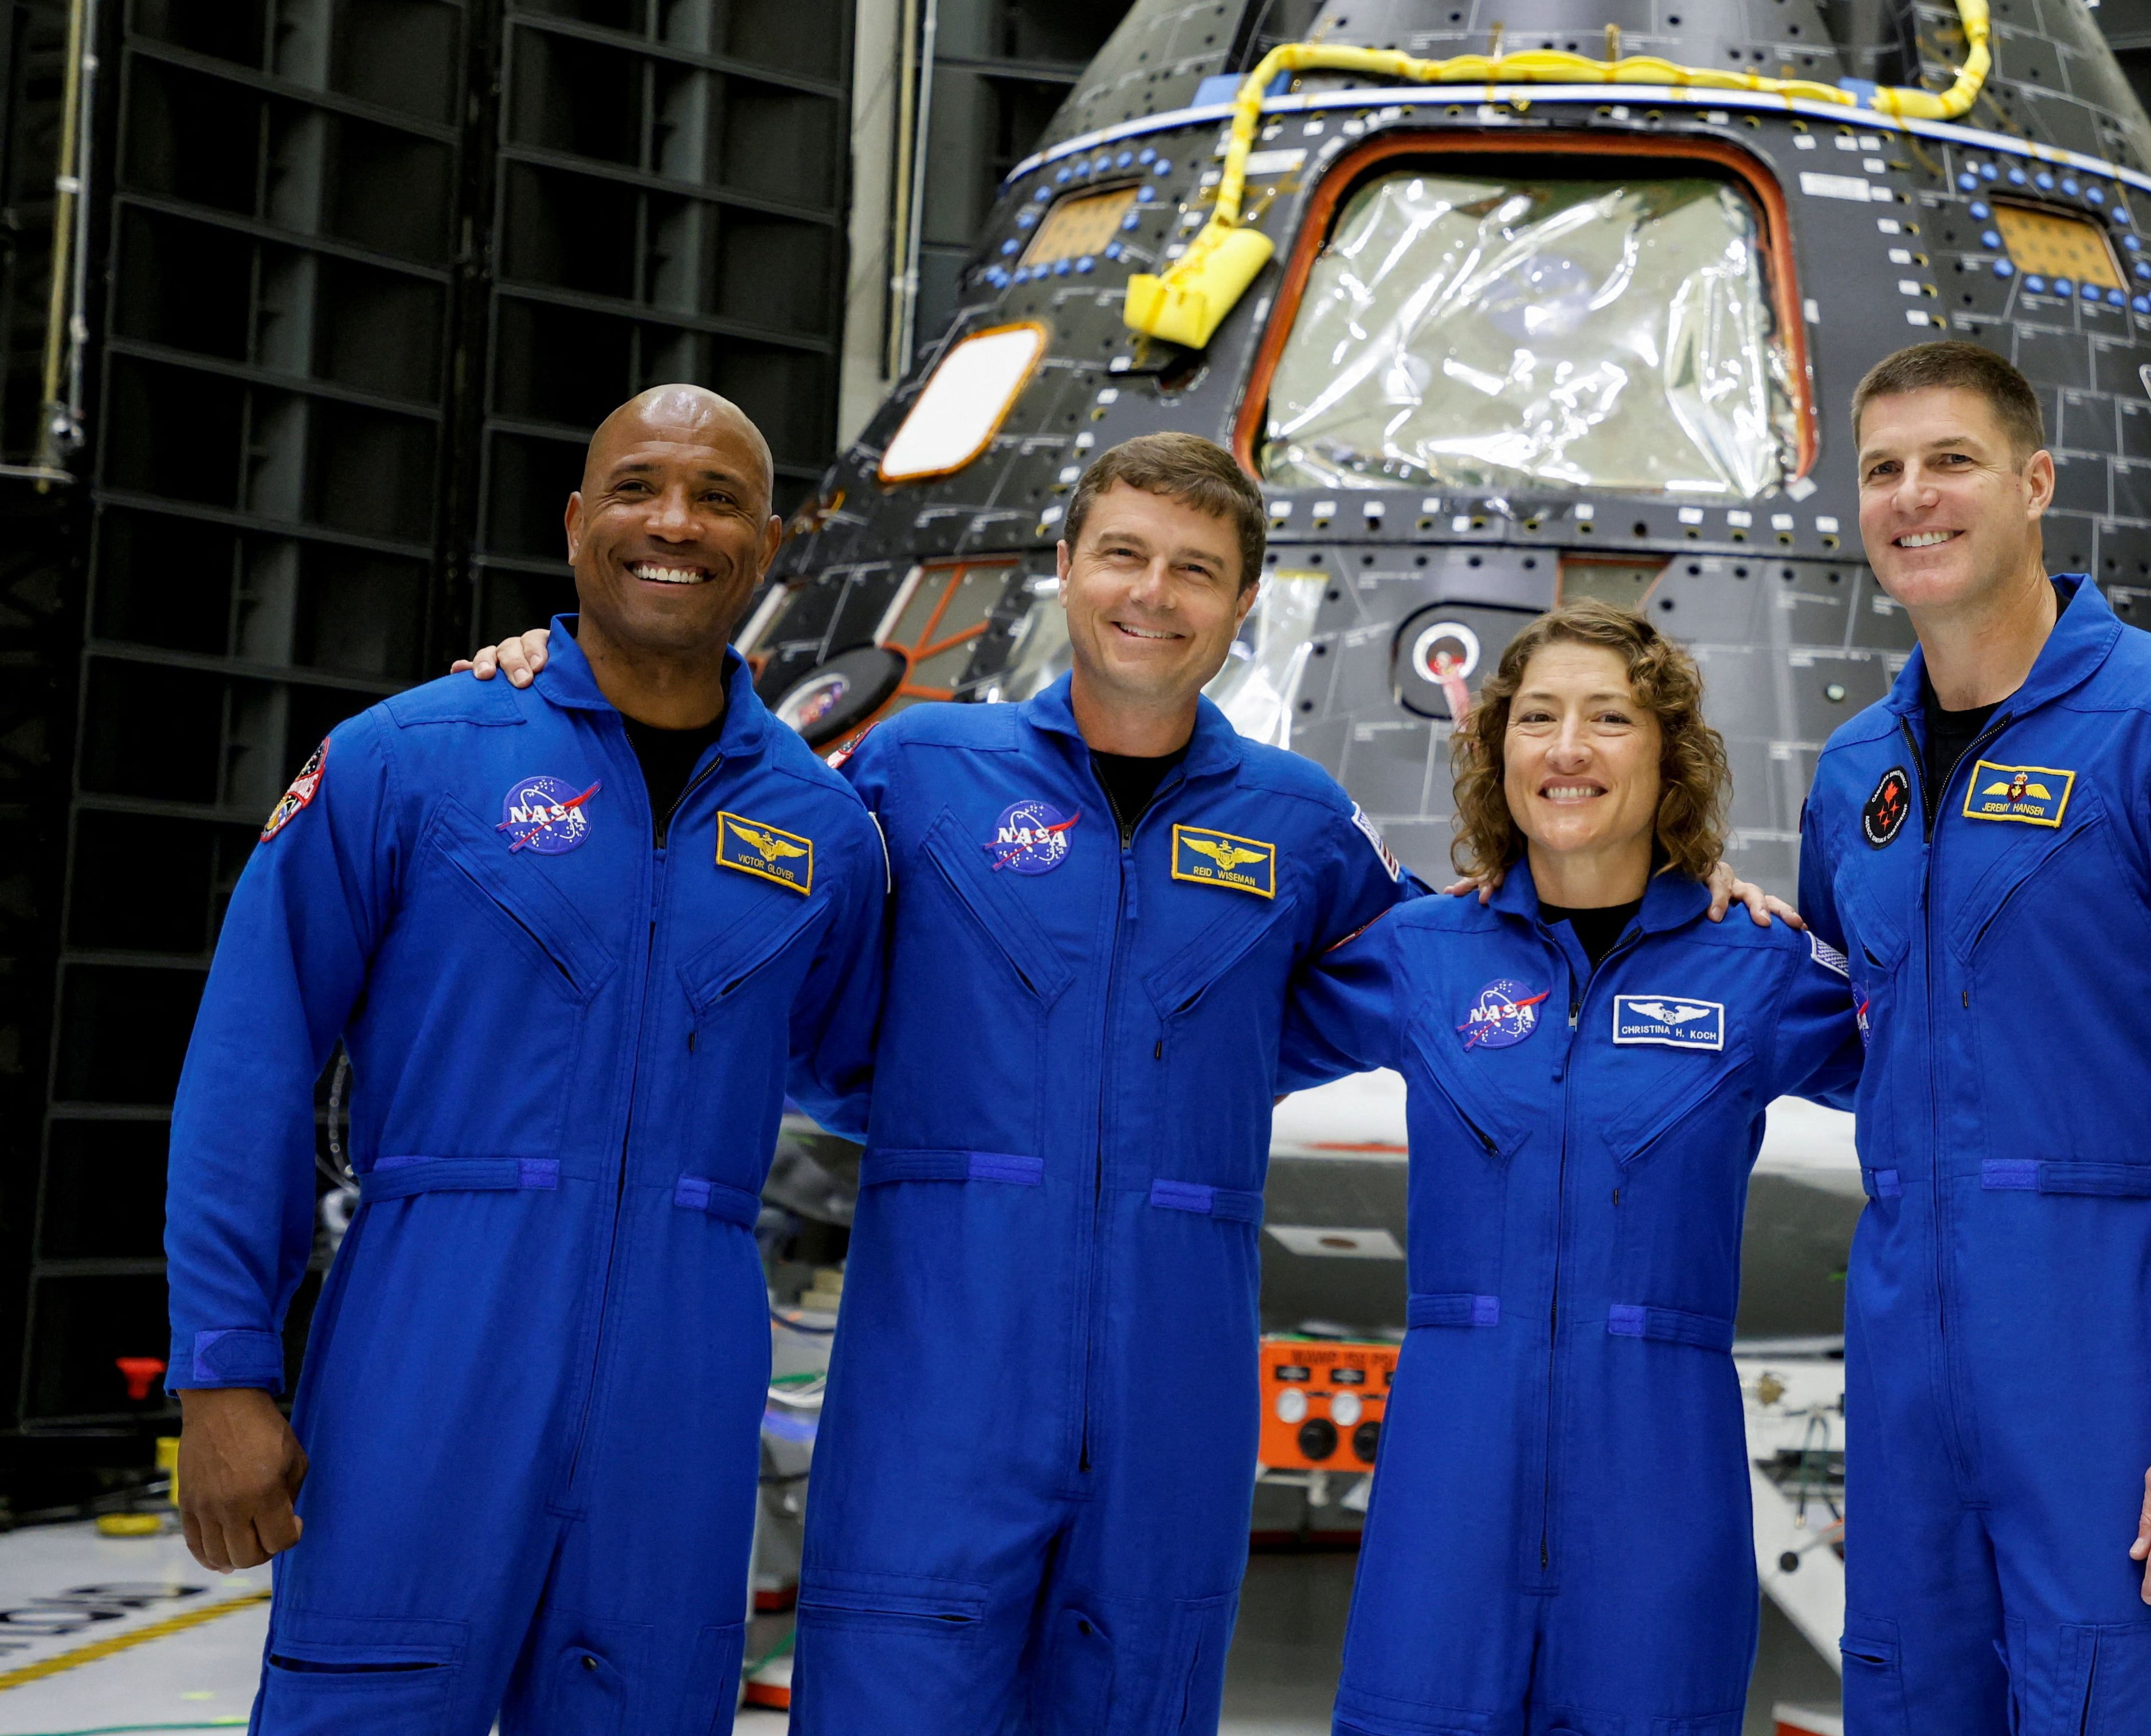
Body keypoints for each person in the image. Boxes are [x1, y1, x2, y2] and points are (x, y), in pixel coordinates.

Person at [461, 433, 1792, 1731]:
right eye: (1123, 555)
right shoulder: (922, 771)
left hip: (1169, 1402)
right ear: (1065, 564)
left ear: (1245, 604)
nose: (1152, 594)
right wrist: (558, 674)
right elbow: (741, 861)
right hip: (941, 1381)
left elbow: (1472, 962)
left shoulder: (1298, 824)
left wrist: (1696, 898)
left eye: (1196, 569)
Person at [164, 387, 888, 1733]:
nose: (674, 521)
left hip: (685, 1376)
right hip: (426, 1343)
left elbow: (865, 1069)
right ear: (574, 523)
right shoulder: (408, 760)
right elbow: (248, 1070)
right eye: (637, 486)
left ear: (768, 543)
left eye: (717, 496)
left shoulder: (829, 832)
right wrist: (223, 1370)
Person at [1799, 342, 2151, 1736]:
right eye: (1881, 471)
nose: (1911, 498)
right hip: (1909, 1378)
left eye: (1951, 461)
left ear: (2036, 481)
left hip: (2114, 1371)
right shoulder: (1853, 774)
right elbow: (1853, 1032)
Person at [1280, 601, 1860, 1736]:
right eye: (1536, 717)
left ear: (1669, 753)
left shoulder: (1761, 963)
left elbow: (1946, 1070)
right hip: (1450, 1475)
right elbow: (1208, 1028)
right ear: (1498, 751)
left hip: (1659, 1473)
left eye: (1610, 717)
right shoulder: (1420, 954)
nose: (1568, 748)